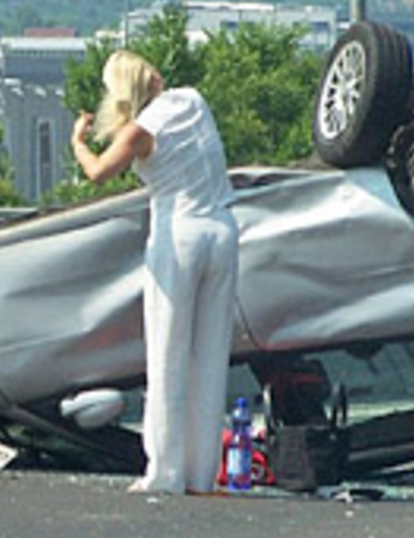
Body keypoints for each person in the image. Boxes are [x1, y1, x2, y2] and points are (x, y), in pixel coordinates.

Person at [70, 50, 240, 495]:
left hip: (178, 234)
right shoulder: (192, 100)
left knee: (167, 355)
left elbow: (98, 174)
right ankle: (202, 473)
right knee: (210, 356)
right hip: (223, 230)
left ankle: (164, 473)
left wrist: (78, 142)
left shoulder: (138, 133)